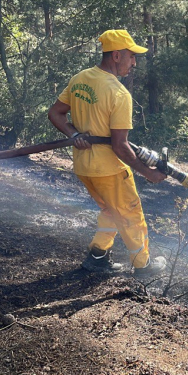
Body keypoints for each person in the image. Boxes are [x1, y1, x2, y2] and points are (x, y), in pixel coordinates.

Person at [48, 29, 167, 276]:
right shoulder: (119, 94)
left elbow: (55, 113)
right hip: (110, 170)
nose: (134, 62)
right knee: (131, 214)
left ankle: (98, 256)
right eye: (131, 56)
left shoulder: (80, 78)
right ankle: (143, 265)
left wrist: (73, 135)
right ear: (116, 56)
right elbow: (120, 145)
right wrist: (150, 173)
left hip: (84, 168)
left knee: (110, 211)